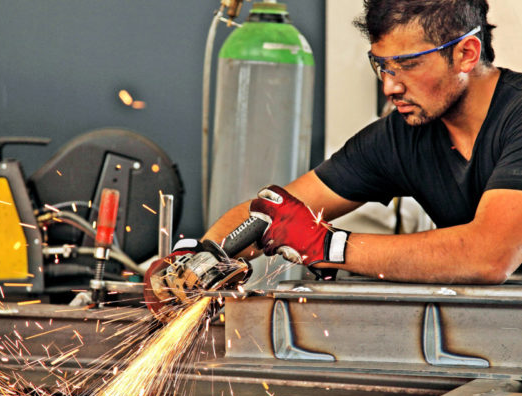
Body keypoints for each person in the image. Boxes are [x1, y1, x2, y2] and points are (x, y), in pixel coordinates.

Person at [155, 0, 522, 288]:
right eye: (382, 66)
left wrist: (328, 246)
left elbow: (488, 256)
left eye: (407, 65)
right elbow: (273, 212)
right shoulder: (400, 136)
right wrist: (201, 259)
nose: (389, 87)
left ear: (466, 54)